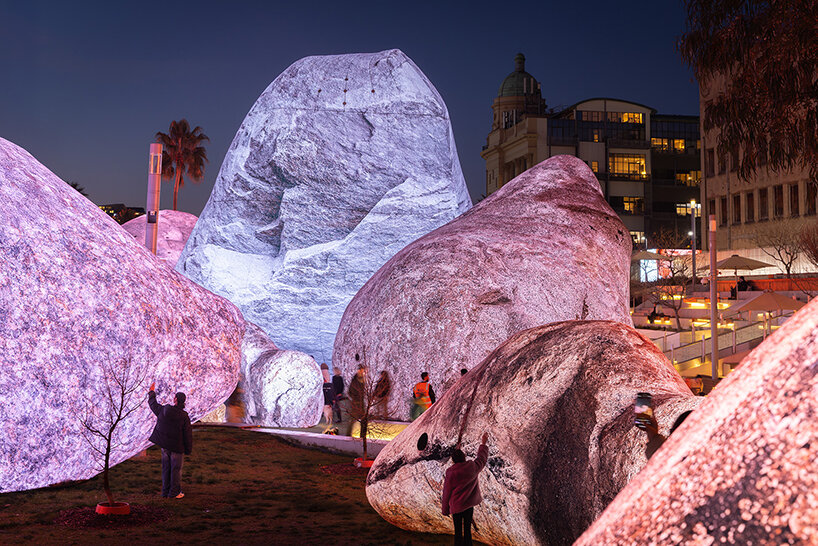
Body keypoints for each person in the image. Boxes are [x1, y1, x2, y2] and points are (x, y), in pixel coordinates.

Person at [442, 432, 489, 546]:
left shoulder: (451, 472)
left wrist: (445, 510)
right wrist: (483, 443)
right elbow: (481, 458)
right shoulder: (472, 467)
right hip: (468, 506)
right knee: (467, 532)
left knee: (458, 533)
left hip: (456, 507)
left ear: (453, 460)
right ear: (464, 457)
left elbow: (446, 492)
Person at [148, 383, 192, 499]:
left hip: (165, 445)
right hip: (177, 447)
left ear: (175, 399)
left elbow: (153, 405)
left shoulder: (164, 410)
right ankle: (174, 493)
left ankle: (165, 492)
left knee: (166, 468)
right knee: (175, 470)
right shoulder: (184, 416)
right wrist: (188, 449)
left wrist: (151, 393)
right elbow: (187, 434)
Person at [348, 365, 367, 437]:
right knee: (352, 420)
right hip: (356, 403)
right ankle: (348, 436)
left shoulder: (363, 380)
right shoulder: (355, 381)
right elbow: (351, 391)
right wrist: (356, 398)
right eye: (361, 370)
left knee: (363, 421)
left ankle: (362, 436)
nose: (362, 372)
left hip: (361, 403)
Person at [320, 364, 336, 431]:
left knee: (326, 411)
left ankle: (328, 420)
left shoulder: (321, 373)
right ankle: (330, 420)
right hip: (328, 399)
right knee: (329, 411)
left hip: (325, 400)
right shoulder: (329, 383)